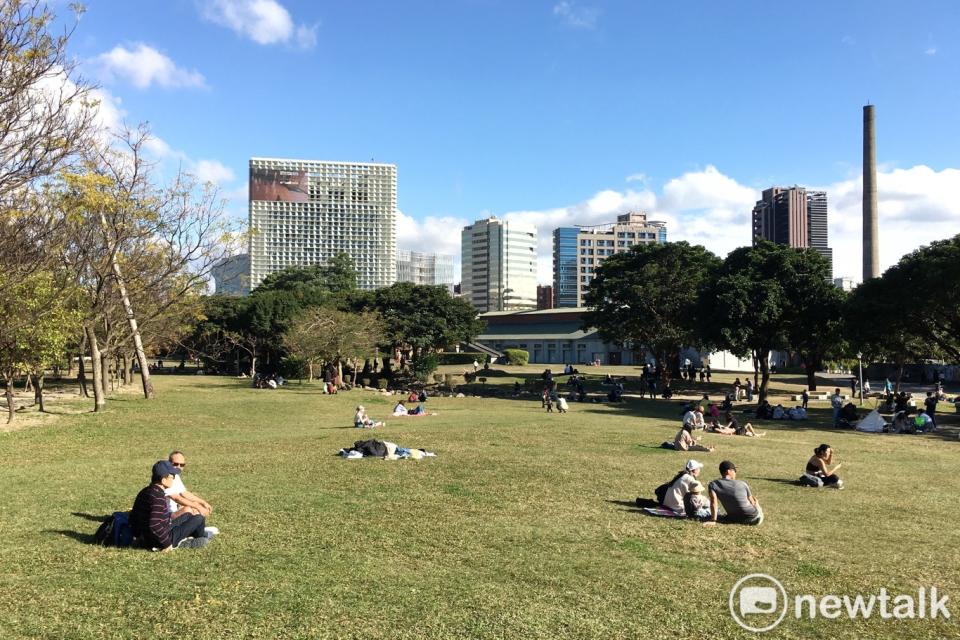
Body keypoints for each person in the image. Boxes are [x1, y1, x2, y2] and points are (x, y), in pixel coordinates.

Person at [130, 460, 210, 550]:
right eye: (172, 476)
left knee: (188, 515)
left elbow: (133, 516)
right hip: (163, 538)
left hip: (151, 535)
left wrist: (138, 536)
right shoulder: (158, 497)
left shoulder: (146, 491)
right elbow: (154, 524)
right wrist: (167, 544)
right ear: (163, 480)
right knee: (199, 518)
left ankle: (194, 536)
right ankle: (195, 538)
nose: (174, 478)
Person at [703, 460, 763, 526]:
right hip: (754, 518)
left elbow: (713, 502)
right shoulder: (742, 484)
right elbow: (752, 502)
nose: (735, 473)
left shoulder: (713, 484)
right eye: (734, 470)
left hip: (734, 519)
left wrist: (713, 520)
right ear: (728, 471)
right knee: (756, 504)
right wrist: (757, 505)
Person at [165, 451, 214, 520]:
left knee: (194, 508)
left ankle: (194, 528)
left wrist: (203, 502)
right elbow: (176, 498)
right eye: (176, 464)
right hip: (165, 516)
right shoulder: (165, 478)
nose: (178, 467)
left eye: (182, 465)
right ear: (169, 463)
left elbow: (184, 493)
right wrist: (197, 506)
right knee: (188, 510)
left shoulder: (175, 475)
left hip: (174, 511)